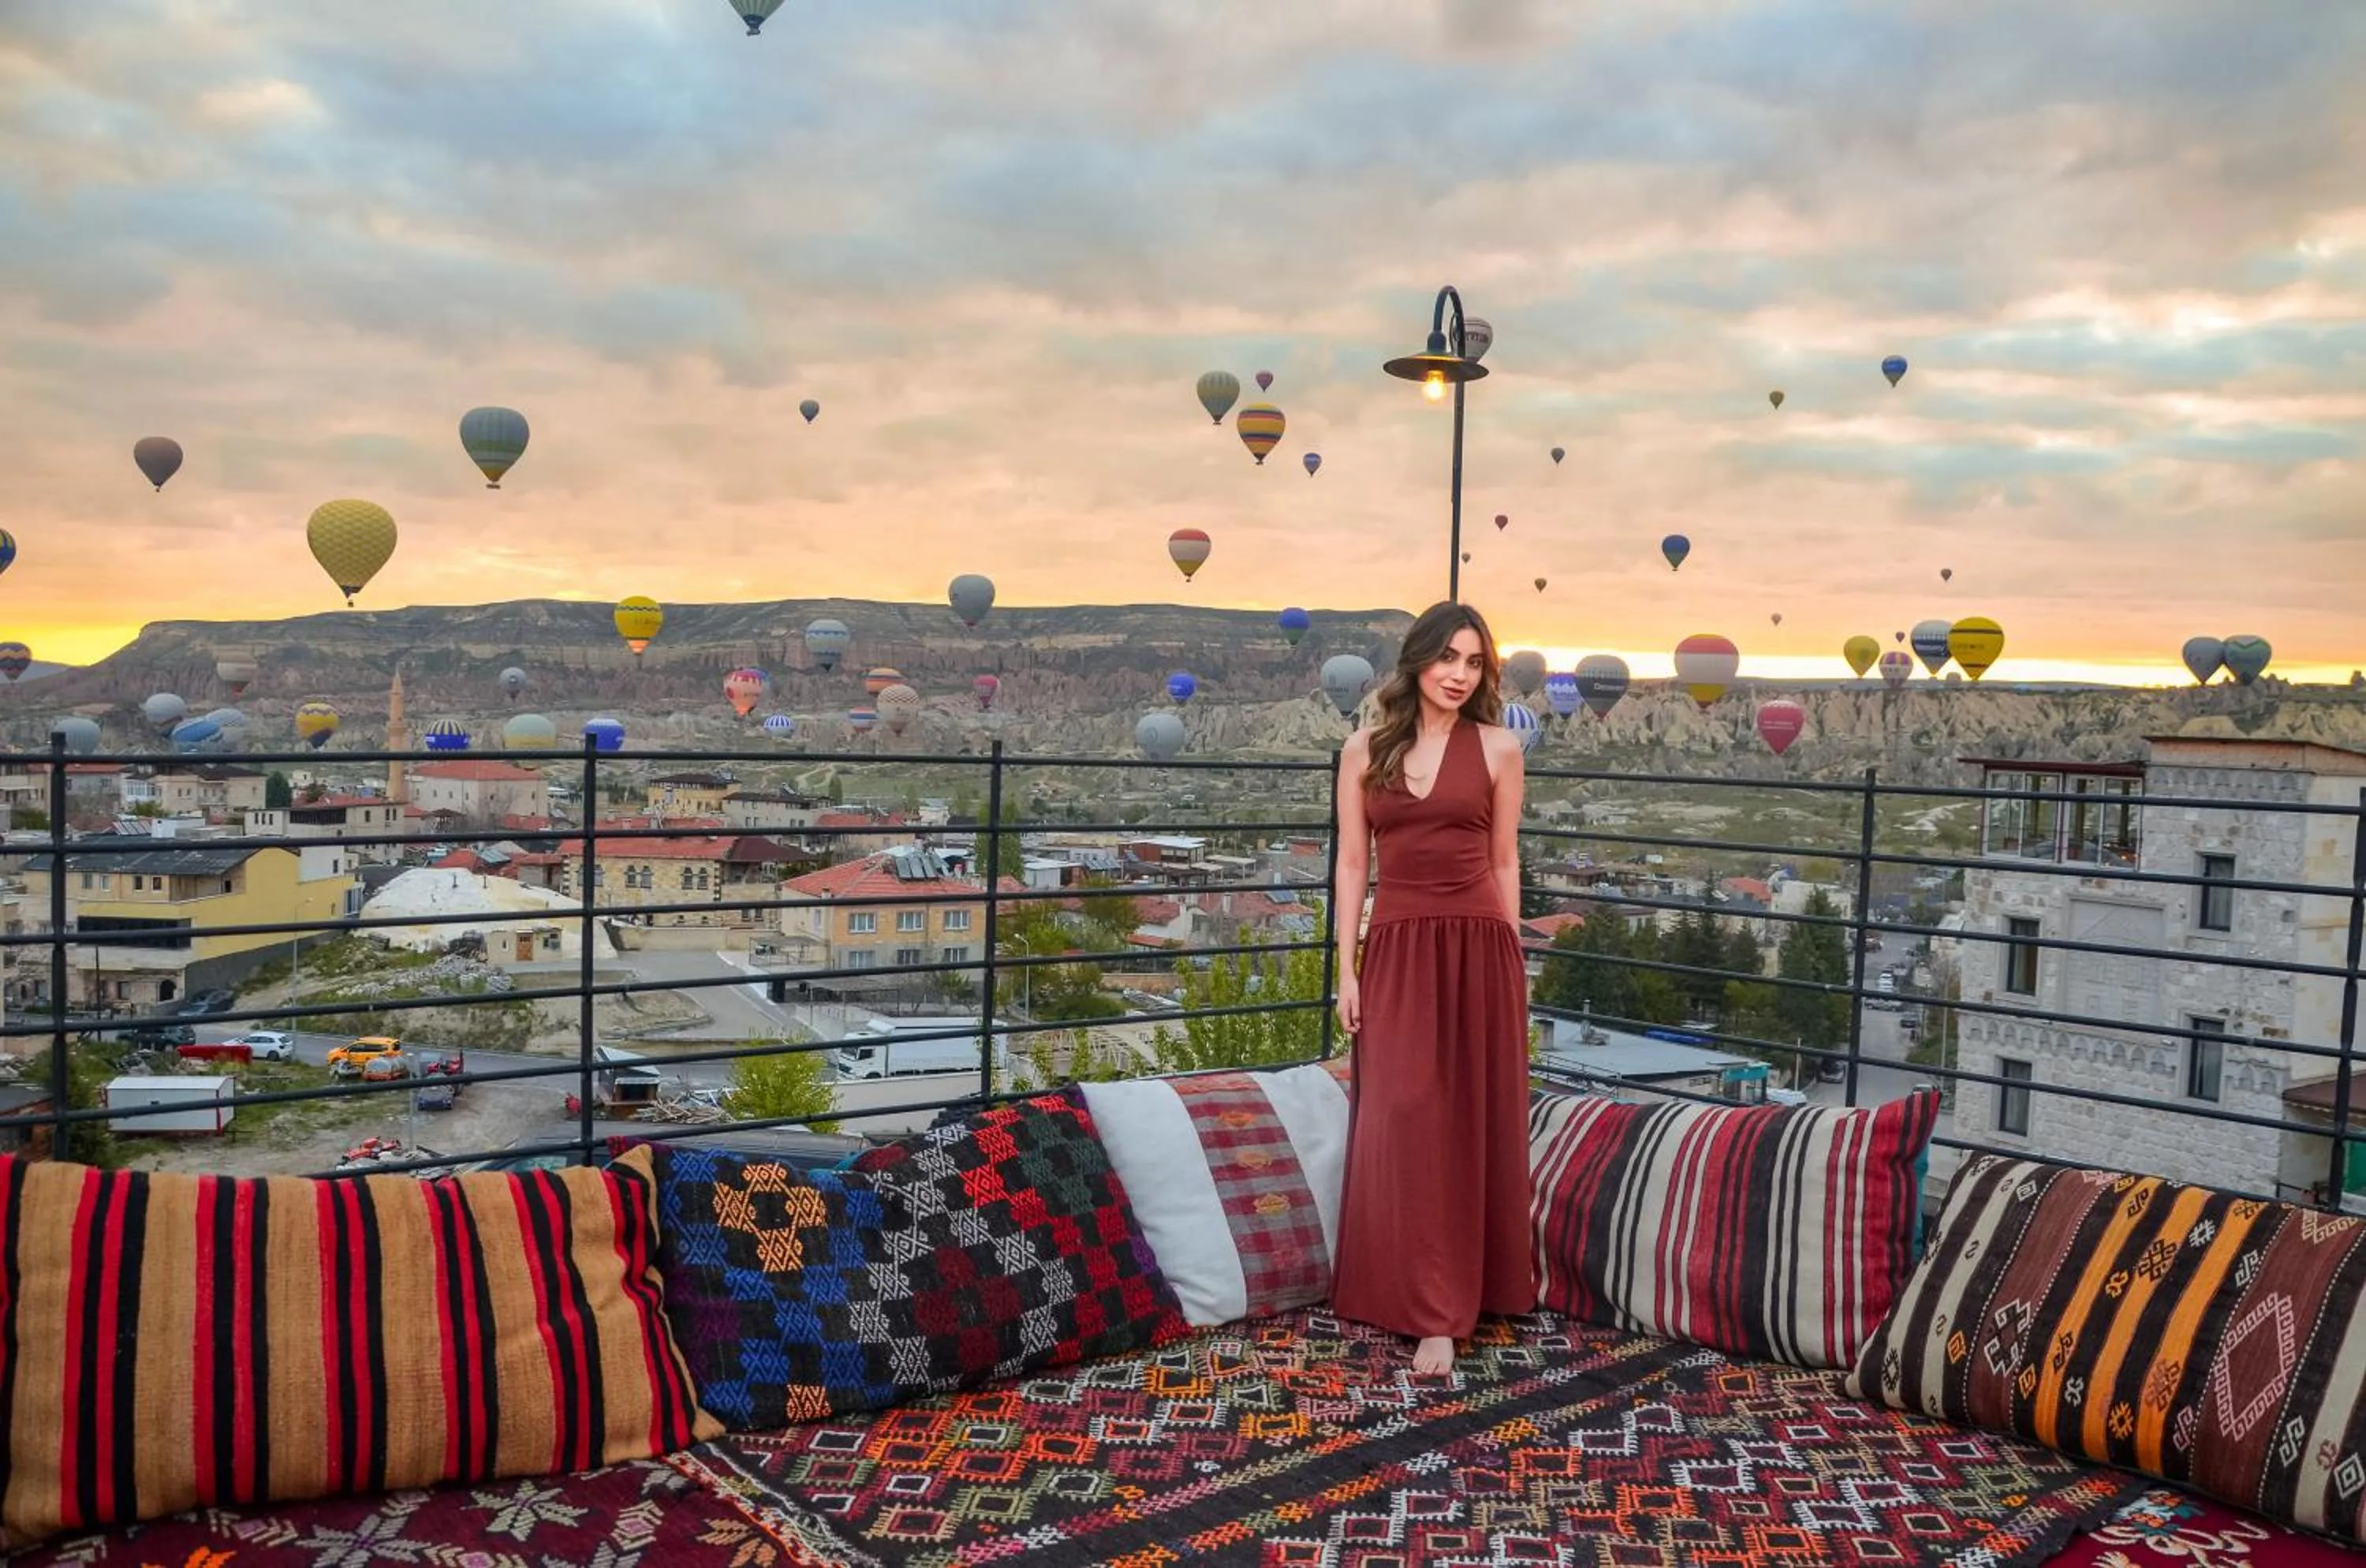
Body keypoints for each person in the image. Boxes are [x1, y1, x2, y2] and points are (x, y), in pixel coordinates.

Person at [1327, 600, 1538, 1376]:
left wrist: (1511, 957)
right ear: (1417, 659)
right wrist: (1343, 968)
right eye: (1447, 656)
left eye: (1475, 661)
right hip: (1399, 945)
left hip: (1479, 943)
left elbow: (1506, 860)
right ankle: (1399, 1284)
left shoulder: (1499, 747)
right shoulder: (1362, 749)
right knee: (1404, 1110)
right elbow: (1354, 864)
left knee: (1464, 1118)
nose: (1459, 673)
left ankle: (1445, 1314)